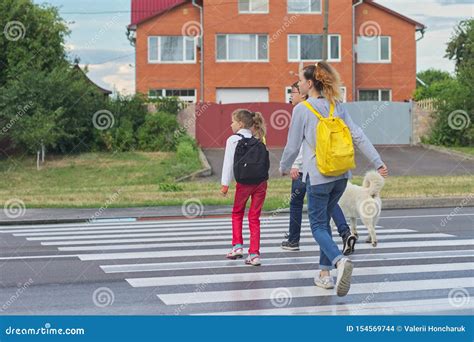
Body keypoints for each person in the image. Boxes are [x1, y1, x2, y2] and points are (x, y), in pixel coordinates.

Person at [280, 62, 389, 296]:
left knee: (318, 225)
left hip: (319, 177)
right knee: (326, 221)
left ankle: (339, 262)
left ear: (310, 84)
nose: (298, 84)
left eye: (300, 80)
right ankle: (324, 275)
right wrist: (378, 162)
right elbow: (358, 135)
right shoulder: (336, 106)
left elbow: (291, 146)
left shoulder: (302, 109)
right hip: (341, 177)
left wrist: (283, 166)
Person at [282, 82, 358, 256]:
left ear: (303, 93)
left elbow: (301, 144)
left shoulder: (303, 110)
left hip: (306, 170)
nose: (290, 96)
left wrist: (293, 165)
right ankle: (345, 233)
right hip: (328, 169)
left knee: (299, 206)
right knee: (328, 207)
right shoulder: (323, 108)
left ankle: (294, 240)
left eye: (293, 92)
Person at [221, 109, 269, 266]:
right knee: (254, 218)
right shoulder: (258, 139)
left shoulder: (233, 140)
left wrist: (225, 184)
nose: (231, 124)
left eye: (233, 121)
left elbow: (228, 164)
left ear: (240, 123)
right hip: (261, 183)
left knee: (237, 213)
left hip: (244, 184)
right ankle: (254, 254)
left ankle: (237, 246)